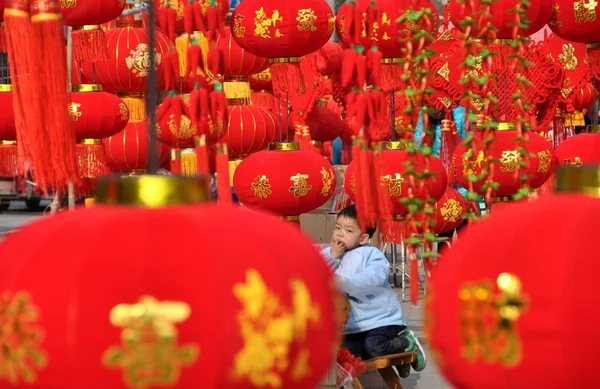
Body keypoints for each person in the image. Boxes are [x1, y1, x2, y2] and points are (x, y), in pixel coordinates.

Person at [320, 205, 427, 378]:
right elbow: (316, 270)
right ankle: (399, 357)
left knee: (375, 347)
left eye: (348, 230)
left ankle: (406, 342)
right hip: (352, 327)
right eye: (337, 227)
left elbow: (373, 277)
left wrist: (345, 284)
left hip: (380, 320)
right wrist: (332, 256)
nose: (339, 233)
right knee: (345, 356)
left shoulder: (371, 254)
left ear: (363, 238)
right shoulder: (330, 253)